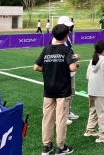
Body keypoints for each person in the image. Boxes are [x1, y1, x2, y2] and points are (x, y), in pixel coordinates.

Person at [34, 24, 77, 155]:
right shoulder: (67, 50)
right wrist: (74, 60)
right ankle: (61, 147)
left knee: (47, 118)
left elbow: (36, 67)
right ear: (66, 36)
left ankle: (46, 146)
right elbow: (73, 68)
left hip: (48, 90)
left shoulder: (46, 49)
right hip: (63, 90)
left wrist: (48, 69)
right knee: (61, 119)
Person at [83, 40, 104, 143]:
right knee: (103, 113)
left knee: (93, 110)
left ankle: (90, 129)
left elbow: (88, 75)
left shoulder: (93, 59)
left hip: (91, 89)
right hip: (101, 90)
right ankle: (103, 136)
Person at [52, 16, 81, 125]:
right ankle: (60, 116)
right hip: (63, 71)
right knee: (62, 95)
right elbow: (60, 56)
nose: (70, 27)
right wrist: (73, 59)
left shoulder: (66, 37)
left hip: (70, 69)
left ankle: (67, 112)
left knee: (70, 92)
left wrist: (73, 58)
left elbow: (67, 53)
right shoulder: (57, 40)